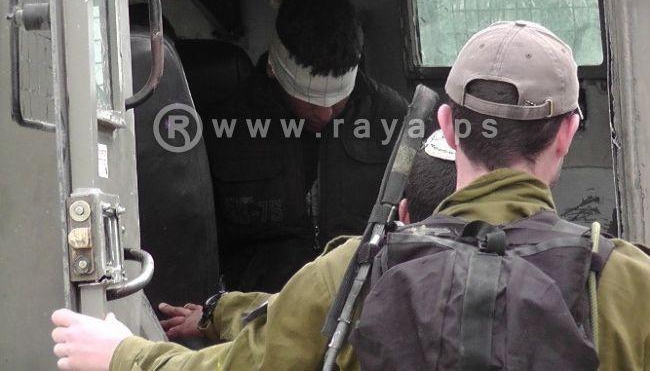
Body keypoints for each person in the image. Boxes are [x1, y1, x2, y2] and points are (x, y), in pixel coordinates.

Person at [52, 21, 650, 371]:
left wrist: (122, 354)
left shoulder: (353, 273)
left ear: (445, 126)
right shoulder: (630, 285)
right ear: (567, 133)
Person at [204, 0, 407, 292]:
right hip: (258, 306)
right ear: (275, 69)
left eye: (337, 99)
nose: (324, 114)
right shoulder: (224, 127)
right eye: (309, 100)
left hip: (362, 298)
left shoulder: (393, 118)